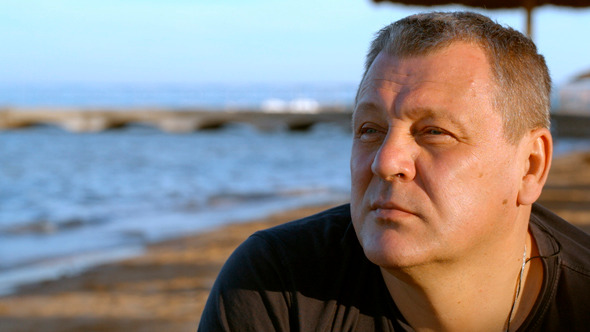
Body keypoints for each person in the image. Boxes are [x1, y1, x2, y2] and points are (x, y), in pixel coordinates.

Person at [198, 11, 590, 331]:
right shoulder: (277, 287)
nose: (385, 162)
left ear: (530, 167)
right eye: (370, 130)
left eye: (435, 132)